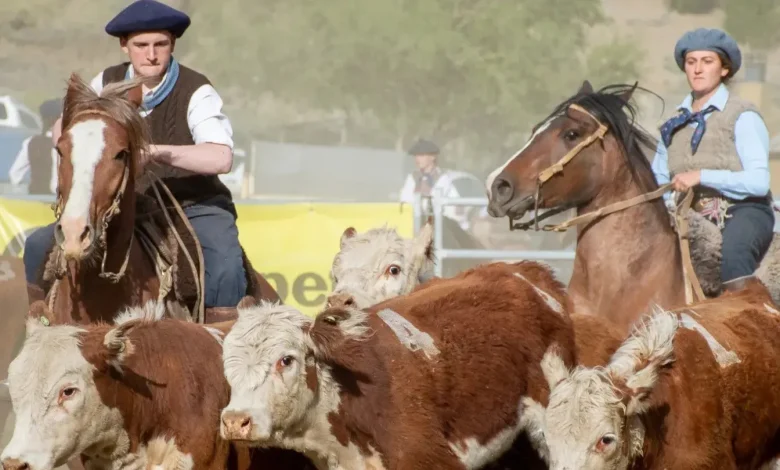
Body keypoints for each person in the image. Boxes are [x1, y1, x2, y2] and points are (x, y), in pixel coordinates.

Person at [23, 0, 247, 309]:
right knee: (37, 245)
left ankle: (225, 343)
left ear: (173, 44)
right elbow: (67, 127)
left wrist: (155, 152)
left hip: (195, 205)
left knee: (224, 266)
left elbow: (221, 157)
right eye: (141, 45)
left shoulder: (197, 90)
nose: (151, 54)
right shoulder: (106, 82)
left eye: (160, 44)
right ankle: (39, 325)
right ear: (124, 45)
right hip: (127, 202)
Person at [650, 27, 774, 290]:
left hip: (744, 209)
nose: (697, 69)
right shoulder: (671, 125)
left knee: (733, 256)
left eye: (707, 62)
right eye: (691, 62)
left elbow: (758, 182)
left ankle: (745, 327)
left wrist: (701, 176)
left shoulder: (743, 116)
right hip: (688, 214)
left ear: (724, 69)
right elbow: (657, 182)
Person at [398, 138, 485, 231]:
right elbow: (405, 203)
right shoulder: (412, 179)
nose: (417, 159)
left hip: (441, 229)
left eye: (421, 155)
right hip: (416, 227)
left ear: (432, 157)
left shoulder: (444, 179)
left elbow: (454, 211)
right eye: (416, 155)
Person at [9, 98, 62, 195]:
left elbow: (14, 175)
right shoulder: (66, 145)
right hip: (58, 202)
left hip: (35, 199)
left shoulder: (30, 142)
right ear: (56, 118)